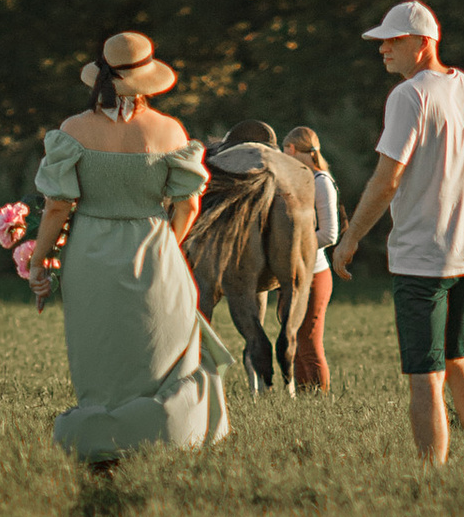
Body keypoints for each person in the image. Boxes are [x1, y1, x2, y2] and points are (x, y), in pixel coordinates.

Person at [329, 0, 464, 470]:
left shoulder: (409, 96)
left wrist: (350, 238)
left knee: (424, 375)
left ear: (422, 43)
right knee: (458, 359)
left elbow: (387, 178)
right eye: (381, 43)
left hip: (422, 260)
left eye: (391, 41)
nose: (382, 50)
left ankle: (431, 483)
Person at [28, 30, 233, 468]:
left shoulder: (73, 131)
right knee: (159, 355)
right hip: (155, 250)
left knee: (100, 356)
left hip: (89, 254)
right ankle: (166, 436)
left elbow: (57, 207)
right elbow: (188, 203)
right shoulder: (169, 130)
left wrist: (38, 259)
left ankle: (97, 441)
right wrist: (165, 244)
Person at [282, 126, 340, 390]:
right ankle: (304, 403)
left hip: (315, 274)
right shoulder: (298, 181)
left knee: (309, 342)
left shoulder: (321, 182)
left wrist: (293, 249)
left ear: (292, 150)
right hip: (294, 275)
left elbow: (329, 234)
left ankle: (321, 405)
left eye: (285, 151)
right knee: (293, 340)